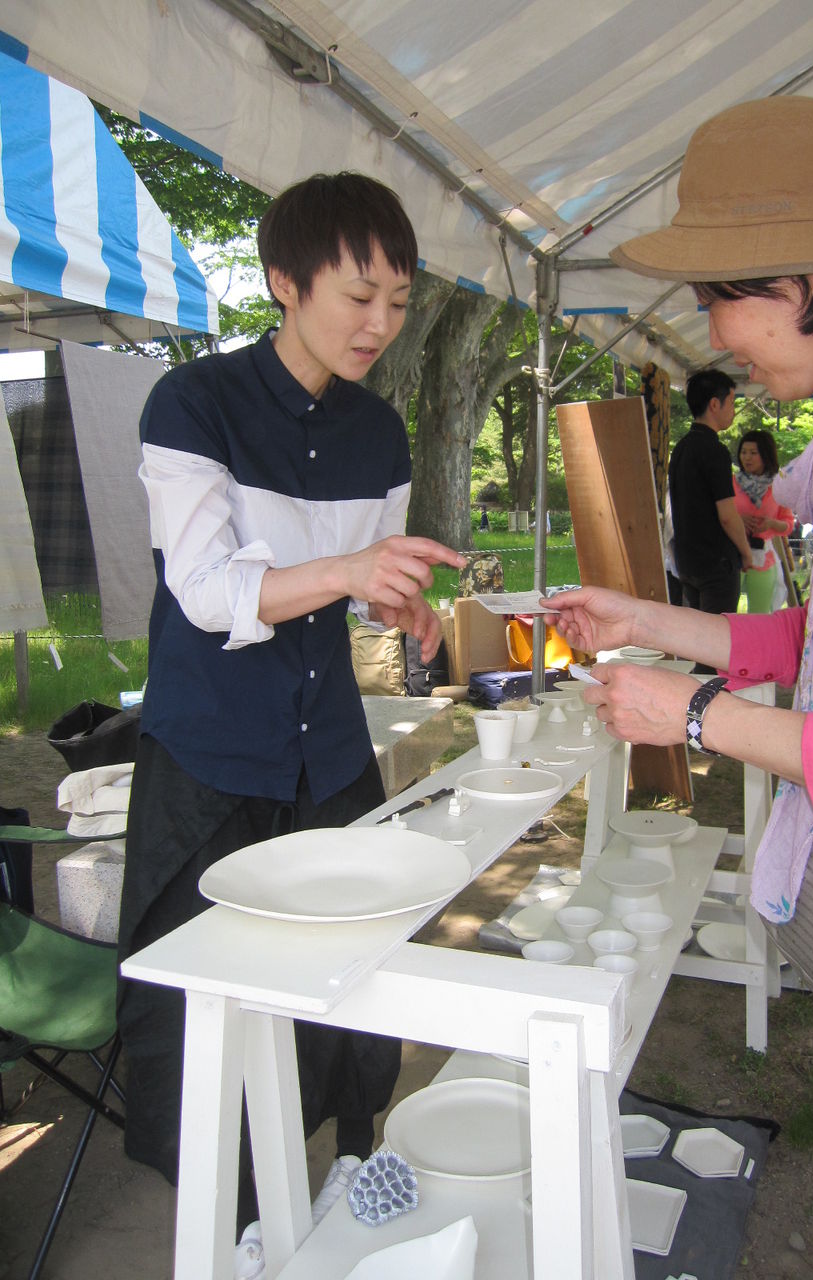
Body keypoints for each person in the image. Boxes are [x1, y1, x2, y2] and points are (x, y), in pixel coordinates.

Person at [547, 96, 813, 1280]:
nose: (714, 334)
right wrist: (646, 621)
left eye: (717, 293)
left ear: (804, 277)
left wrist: (689, 714)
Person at [116, 171, 464, 1274]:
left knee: (355, 974)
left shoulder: (381, 433)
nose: (380, 323)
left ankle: (350, 1164)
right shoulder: (193, 404)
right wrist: (351, 569)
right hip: (212, 754)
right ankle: (233, 1224)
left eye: (398, 302)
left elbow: (352, 590)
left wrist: (393, 600)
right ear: (283, 281)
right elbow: (208, 591)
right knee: (208, 999)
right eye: (359, 296)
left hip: (328, 751)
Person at [668, 368, 753, 619]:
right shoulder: (714, 451)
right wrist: (746, 552)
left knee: (697, 634)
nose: (733, 410)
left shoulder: (681, 448)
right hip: (715, 563)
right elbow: (727, 515)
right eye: (732, 402)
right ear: (715, 404)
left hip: (687, 562)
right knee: (718, 636)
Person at [733, 429, 795, 612]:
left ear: (766, 455)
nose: (747, 457)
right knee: (725, 610)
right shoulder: (731, 483)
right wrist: (737, 520)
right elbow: (718, 514)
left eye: (753, 453)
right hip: (732, 554)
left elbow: (788, 524)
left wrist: (771, 524)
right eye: (744, 452)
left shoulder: (778, 486)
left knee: (760, 614)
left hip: (762, 556)